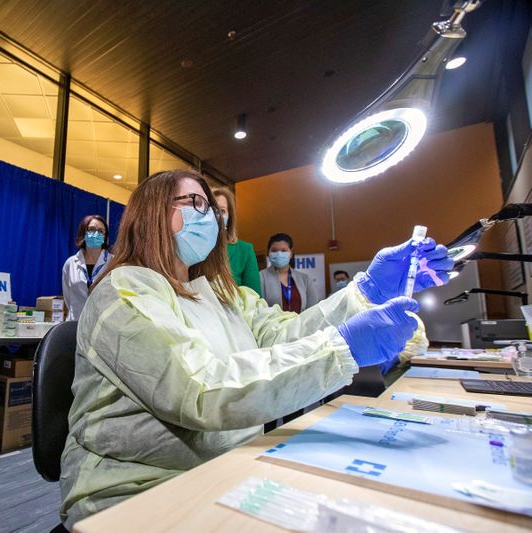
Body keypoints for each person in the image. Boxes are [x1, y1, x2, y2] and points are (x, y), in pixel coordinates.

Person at [58, 169, 452, 529]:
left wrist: (368, 291)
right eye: (194, 203)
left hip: (229, 469)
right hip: (135, 490)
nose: (209, 216)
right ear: (150, 214)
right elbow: (200, 389)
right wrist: (341, 347)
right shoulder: (125, 290)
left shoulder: (223, 294)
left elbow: (290, 333)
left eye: (211, 208)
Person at [62, 215, 113, 321]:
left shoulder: (113, 263)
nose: (96, 234)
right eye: (91, 229)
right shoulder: (70, 263)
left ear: (105, 237)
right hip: (76, 323)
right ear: (83, 233)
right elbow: (68, 297)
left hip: (103, 325)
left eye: (101, 231)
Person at [212, 188, 262, 296]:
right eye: (213, 210)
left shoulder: (244, 250)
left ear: (230, 217)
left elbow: (255, 298)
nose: (218, 215)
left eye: (222, 210)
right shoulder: (195, 250)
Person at [259, 232, 319, 312]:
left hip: (301, 324)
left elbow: (313, 308)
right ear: (268, 253)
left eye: (283, 250)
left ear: (291, 253)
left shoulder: (304, 279)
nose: (279, 254)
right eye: (274, 250)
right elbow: (258, 309)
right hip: (272, 324)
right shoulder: (260, 277)